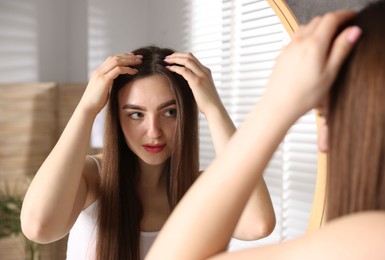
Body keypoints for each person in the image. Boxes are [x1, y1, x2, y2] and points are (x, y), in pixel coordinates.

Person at [146, 1, 385, 259]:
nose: (324, 142)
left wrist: (278, 103)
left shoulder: (374, 238)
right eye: (136, 114)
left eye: (329, 117)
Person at [20, 46, 275, 259]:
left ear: (186, 115)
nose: (154, 132)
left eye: (169, 112)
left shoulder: (198, 190)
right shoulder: (91, 178)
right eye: (136, 114)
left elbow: (258, 224)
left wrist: (213, 108)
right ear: (117, 119)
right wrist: (86, 108)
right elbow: (38, 228)